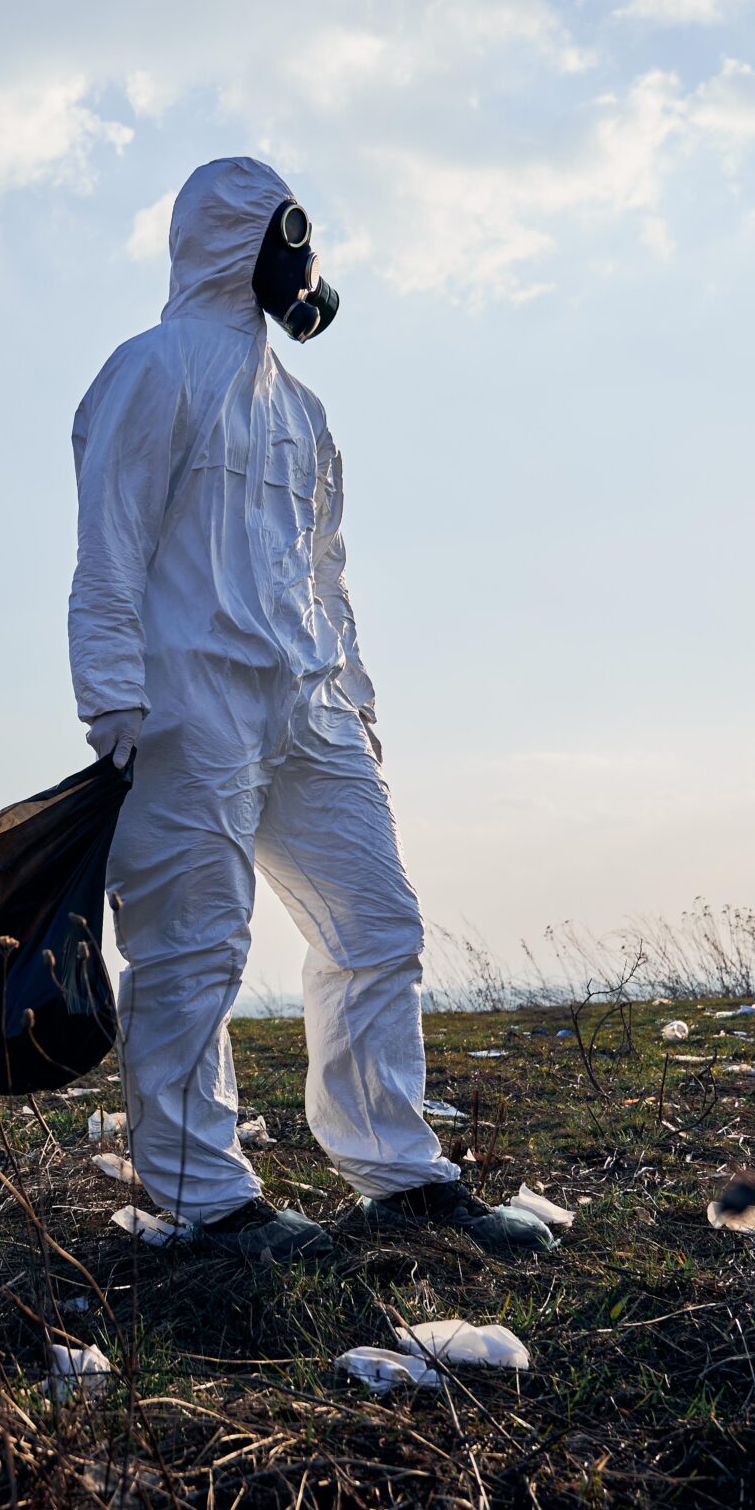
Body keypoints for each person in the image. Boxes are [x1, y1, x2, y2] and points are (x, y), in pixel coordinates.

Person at [68, 157, 553, 1259]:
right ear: (254, 239)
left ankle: (399, 1173)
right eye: (296, 237)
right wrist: (112, 698)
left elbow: (325, 573)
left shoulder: (303, 408)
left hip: (309, 706)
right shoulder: (148, 372)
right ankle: (203, 1202)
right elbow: (108, 549)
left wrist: (358, 705)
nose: (308, 263)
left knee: (375, 924)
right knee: (193, 946)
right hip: (188, 703)